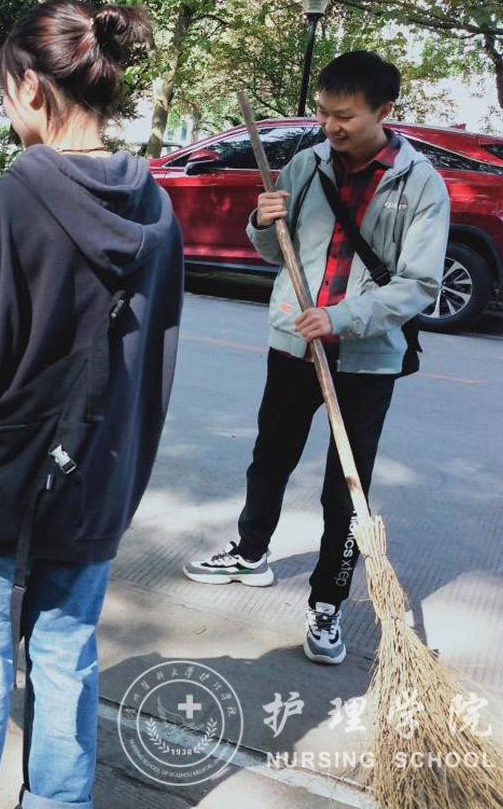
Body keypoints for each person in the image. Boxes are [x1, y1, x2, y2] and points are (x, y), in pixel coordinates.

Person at [0, 0, 184, 809]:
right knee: (66, 656)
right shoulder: (156, 211)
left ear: (31, 87)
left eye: (4, 91)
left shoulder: (13, 201)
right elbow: (155, 361)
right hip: (96, 481)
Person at [183, 50, 449, 664]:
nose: (330, 125)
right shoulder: (306, 165)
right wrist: (260, 219)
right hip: (293, 345)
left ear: (384, 111)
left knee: (345, 488)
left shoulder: (419, 184)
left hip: (366, 359)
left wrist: (341, 317)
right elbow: (273, 251)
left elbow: (419, 285)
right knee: (269, 457)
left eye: (345, 116)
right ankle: (250, 553)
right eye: (325, 112)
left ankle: (327, 600)